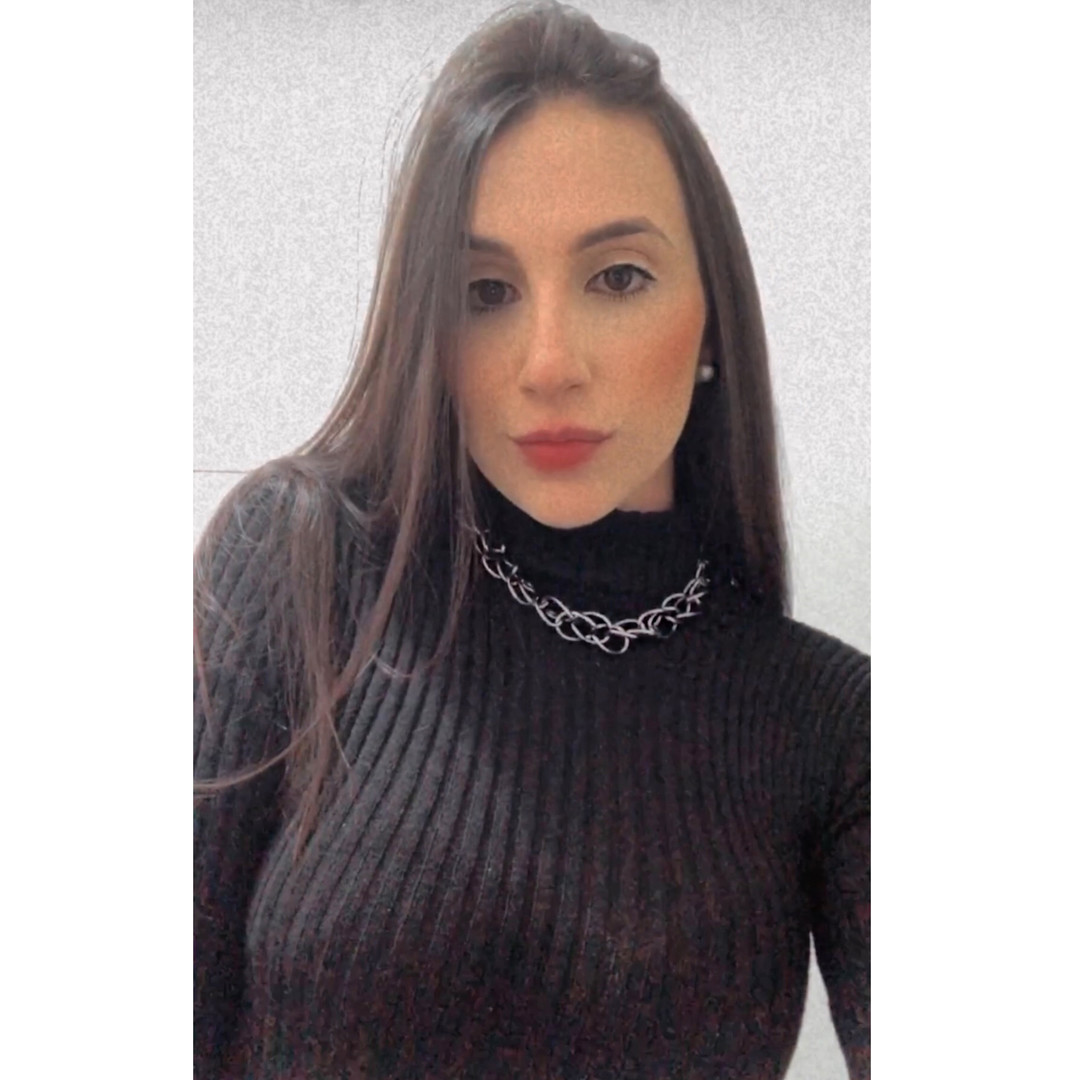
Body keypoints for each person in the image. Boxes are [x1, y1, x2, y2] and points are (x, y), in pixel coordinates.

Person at [194, 2, 870, 1078]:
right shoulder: (299, 566)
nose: (549, 363)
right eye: (486, 291)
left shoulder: (832, 728)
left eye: (618, 278)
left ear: (711, 323)